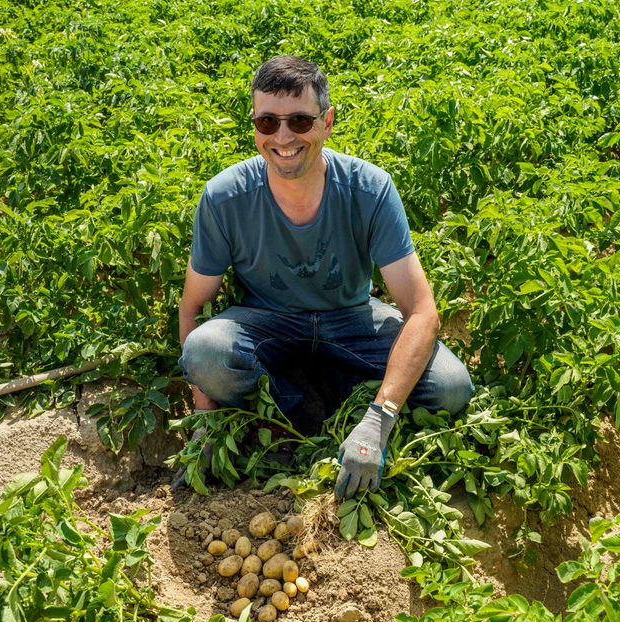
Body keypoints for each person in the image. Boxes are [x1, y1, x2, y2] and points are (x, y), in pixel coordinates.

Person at [176, 55, 474, 500]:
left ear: (327, 121)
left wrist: (381, 418)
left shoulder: (369, 188)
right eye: (266, 122)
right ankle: (294, 403)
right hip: (266, 323)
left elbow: (423, 310)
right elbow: (192, 308)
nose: (282, 137)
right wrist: (204, 420)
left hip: (351, 320)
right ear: (253, 125)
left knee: (451, 388)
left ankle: (347, 400)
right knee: (205, 351)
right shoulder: (226, 196)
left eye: (299, 120)